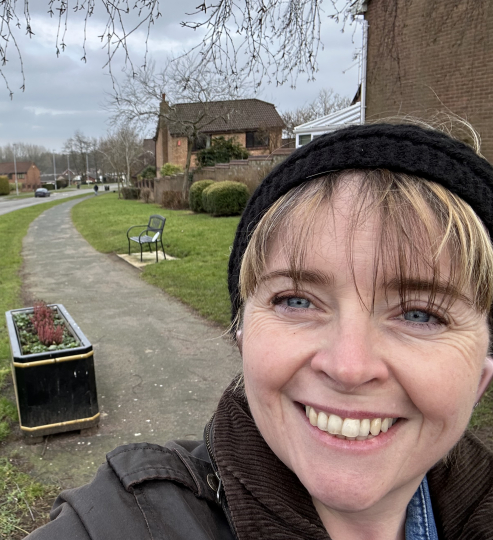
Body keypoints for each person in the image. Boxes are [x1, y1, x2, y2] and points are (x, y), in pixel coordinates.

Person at [26, 123, 493, 539]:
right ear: (243, 337)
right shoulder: (130, 521)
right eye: (296, 301)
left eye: (420, 315)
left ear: (481, 376)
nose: (350, 367)